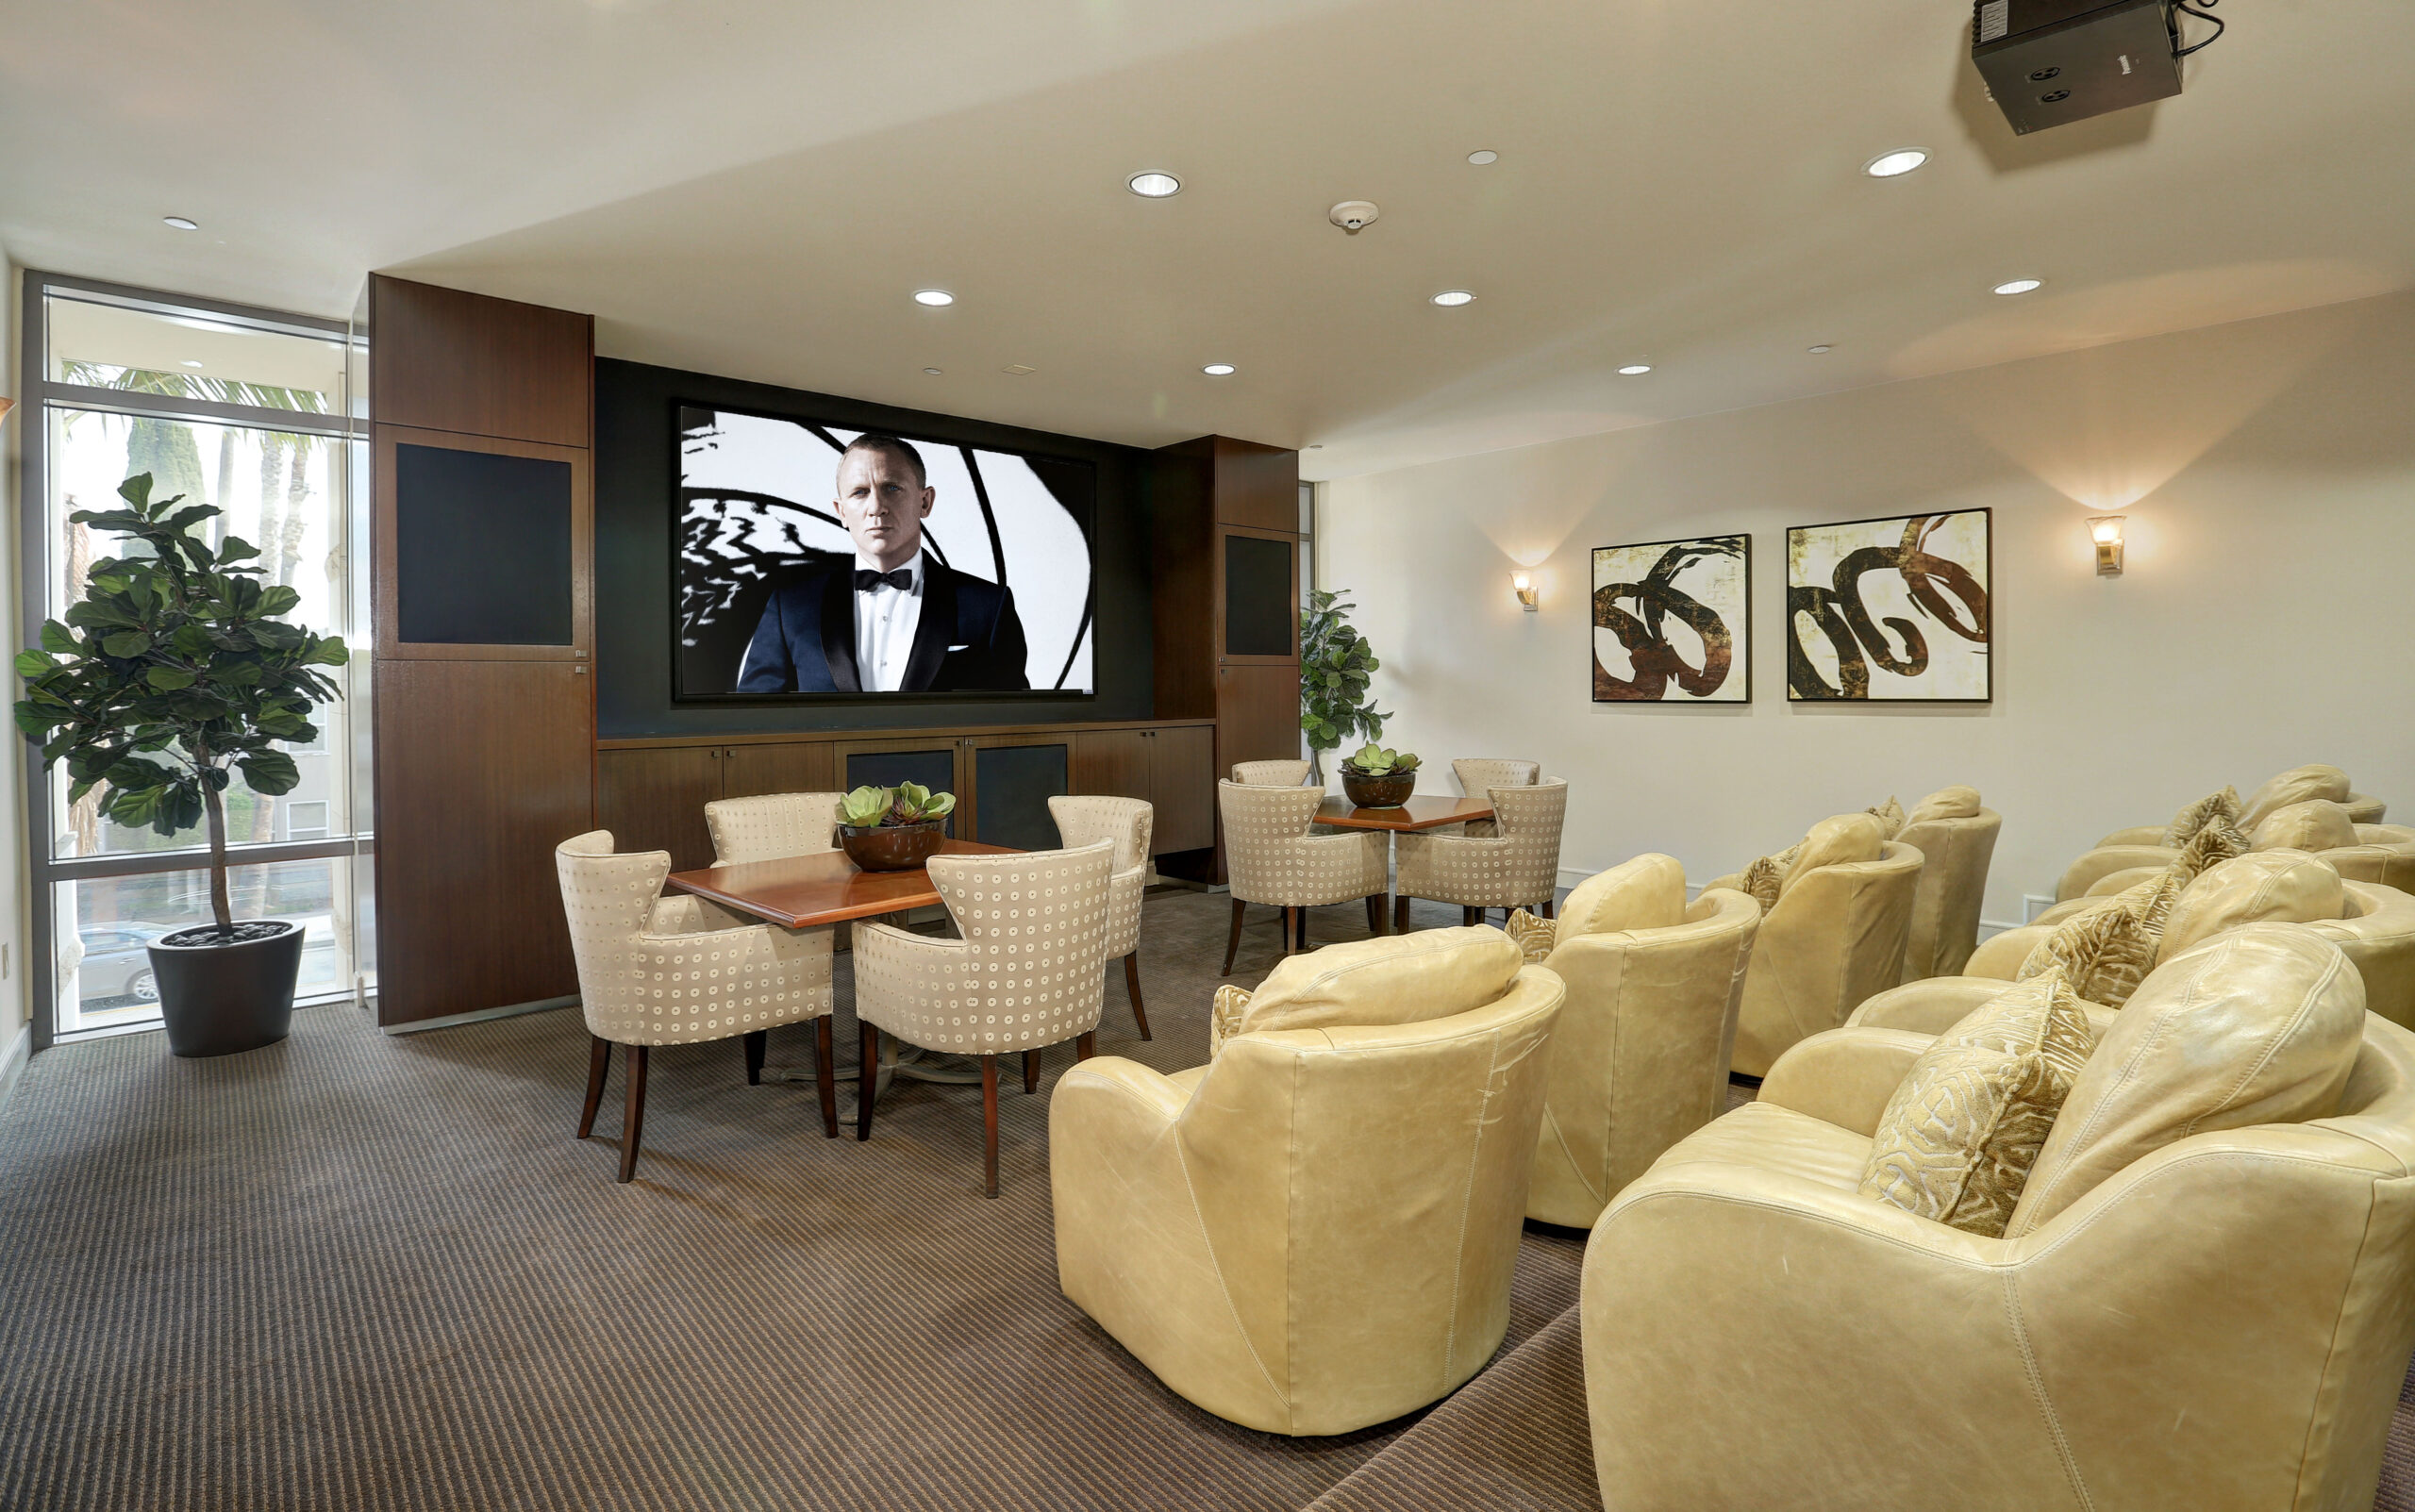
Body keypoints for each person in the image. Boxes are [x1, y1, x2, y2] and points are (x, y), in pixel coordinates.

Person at [736, 434, 1029, 693]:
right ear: (841, 511)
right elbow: (754, 718)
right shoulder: (790, 607)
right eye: (860, 492)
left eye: (892, 488)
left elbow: (1014, 720)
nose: (876, 507)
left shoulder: (989, 607)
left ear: (925, 502)